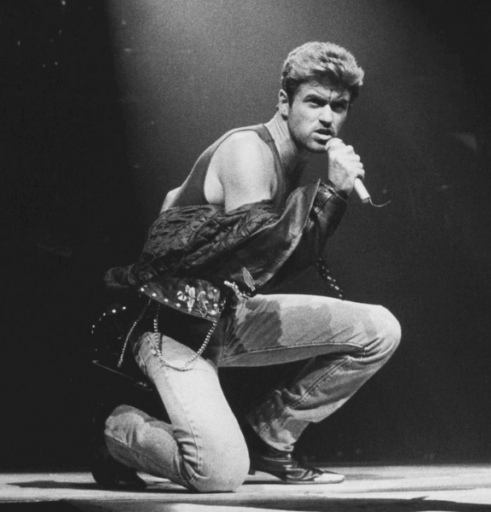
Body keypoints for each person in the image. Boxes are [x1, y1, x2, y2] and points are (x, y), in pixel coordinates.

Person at [91, 41, 401, 493]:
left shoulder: (290, 161)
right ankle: (113, 433)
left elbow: (187, 214)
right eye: (314, 102)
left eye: (339, 106)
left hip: (224, 316)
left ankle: (271, 438)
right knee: (218, 473)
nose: (328, 118)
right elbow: (263, 257)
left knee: (379, 329)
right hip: (173, 329)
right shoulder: (247, 151)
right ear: (284, 101)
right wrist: (331, 194)